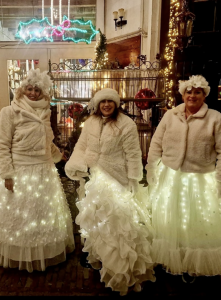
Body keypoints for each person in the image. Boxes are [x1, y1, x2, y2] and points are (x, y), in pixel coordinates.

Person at [65, 88, 155, 296]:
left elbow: (133, 153)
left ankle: (120, 266)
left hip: (117, 178)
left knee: (117, 223)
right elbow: (81, 146)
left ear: (116, 104)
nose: (106, 105)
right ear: (97, 104)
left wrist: (133, 178)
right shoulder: (90, 123)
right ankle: (100, 256)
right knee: (97, 218)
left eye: (110, 101)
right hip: (95, 177)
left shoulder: (126, 124)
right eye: (102, 101)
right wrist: (76, 164)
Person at [0, 69, 75, 272]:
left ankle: (42, 251)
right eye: (30, 89)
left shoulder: (45, 111)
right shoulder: (9, 112)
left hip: (44, 170)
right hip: (21, 170)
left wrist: (58, 156)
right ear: (22, 90)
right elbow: (2, 145)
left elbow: (46, 140)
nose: (33, 93)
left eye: (37, 90)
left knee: (42, 214)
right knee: (21, 217)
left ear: (43, 93)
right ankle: (18, 253)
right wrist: (6, 174)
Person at [146, 75, 221, 282]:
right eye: (189, 91)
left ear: (204, 95)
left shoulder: (215, 118)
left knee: (196, 225)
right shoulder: (171, 115)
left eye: (197, 92)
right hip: (170, 177)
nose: (192, 95)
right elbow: (156, 144)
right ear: (183, 94)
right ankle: (172, 258)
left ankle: (193, 263)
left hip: (200, 179)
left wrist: (219, 180)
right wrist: (151, 169)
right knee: (170, 222)